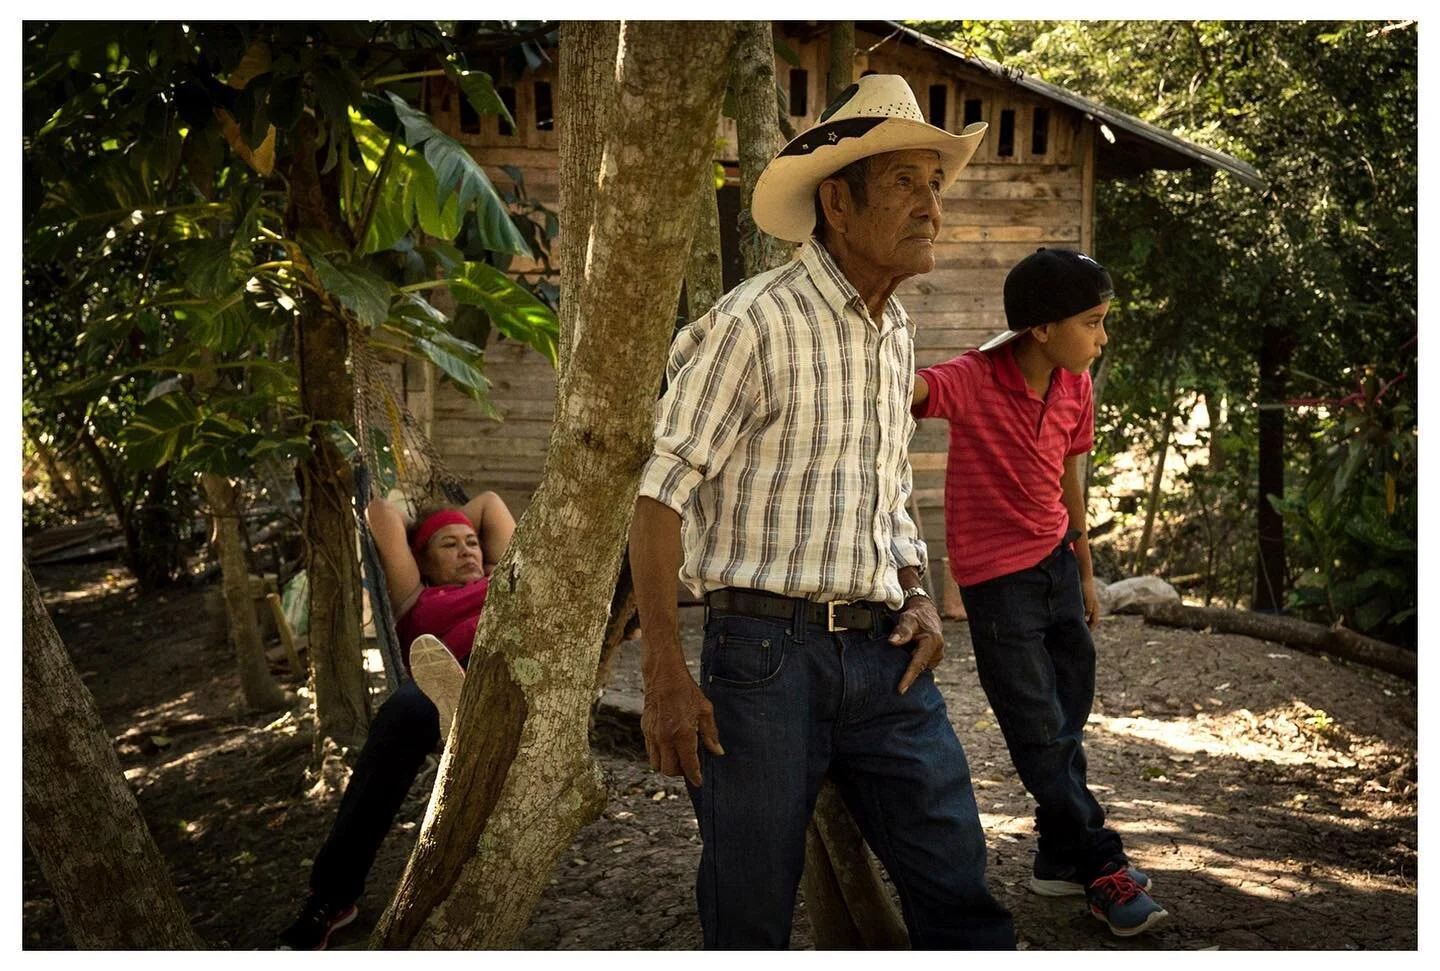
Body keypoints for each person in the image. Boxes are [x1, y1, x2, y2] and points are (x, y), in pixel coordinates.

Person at [629, 74, 1015, 949]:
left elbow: (886, 489)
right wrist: (663, 673)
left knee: (958, 884)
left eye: (935, 185)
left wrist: (917, 591)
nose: (932, 208)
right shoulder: (754, 322)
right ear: (838, 203)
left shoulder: (897, 331)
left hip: (885, 654)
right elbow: (659, 494)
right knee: (750, 908)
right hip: (764, 657)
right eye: (906, 184)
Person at [910, 247, 1168, 937]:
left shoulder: (1073, 383)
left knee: (1068, 711)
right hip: (998, 584)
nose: (1103, 336)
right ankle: (1102, 866)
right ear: (1043, 327)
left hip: (1056, 563)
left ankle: (1057, 856)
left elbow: (1067, 473)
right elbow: (909, 390)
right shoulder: (974, 377)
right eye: (1092, 322)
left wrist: (1083, 567)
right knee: (1040, 730)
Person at [277, 491, 515, 950]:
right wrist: (421, 524)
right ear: (420, 560)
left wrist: (443, 525)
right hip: (436, 678)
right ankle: (331, 898)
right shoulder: (416, 595)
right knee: (404, 710)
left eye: (472, 542)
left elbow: (489, 502)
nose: (467, 551)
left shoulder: (500, 576)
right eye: (449, 545)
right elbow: (380, 512)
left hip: (510, 668)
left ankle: (464, 704)